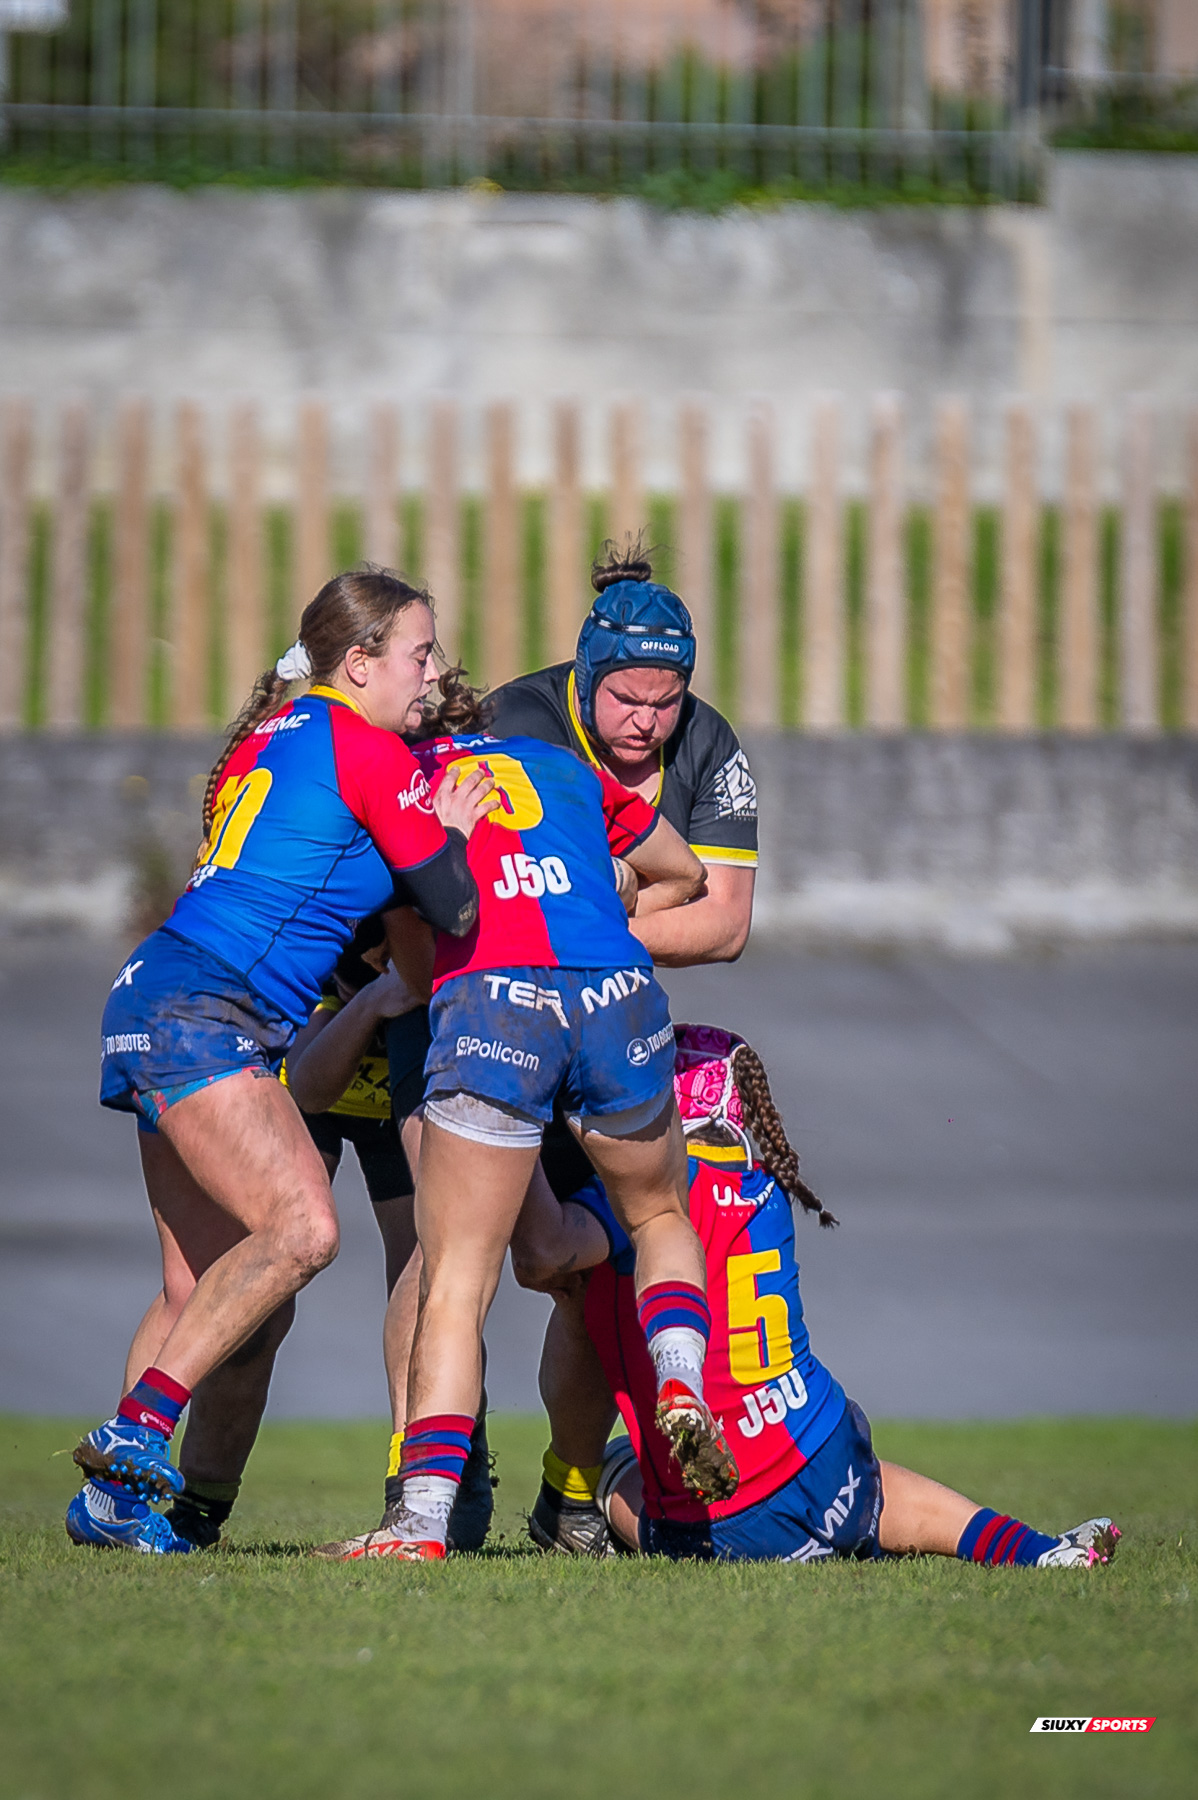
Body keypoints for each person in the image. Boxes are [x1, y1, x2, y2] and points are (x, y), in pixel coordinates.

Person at [66, 568, 491, 1555]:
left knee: (194, 1285)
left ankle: (111, 1510)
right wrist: (456, 829)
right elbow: (453, 906)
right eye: (418, 653)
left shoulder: (276, 732)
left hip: (147, 992)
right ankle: (136, 1435)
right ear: (359, 664)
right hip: (210, 1010)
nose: (430, 674)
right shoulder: (367, 744)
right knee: (303, 1229)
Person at [318, 711, 739, 1561]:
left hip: (497, 1000)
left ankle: (422, 1523)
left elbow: (410, 956)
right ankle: (684, 1388)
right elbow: (687, 873)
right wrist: (608, 885)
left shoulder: (400, 783)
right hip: (613, 987)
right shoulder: (558, 764)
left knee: (457, 1280)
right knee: (659, 1218)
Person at [512, 1025, 1122, 1570]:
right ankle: (1037, 1551)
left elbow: (545, 1253)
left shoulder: (644, 1200)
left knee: (615, 1466)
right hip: (825, 1448)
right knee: (880, 1495)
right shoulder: (765, 1186)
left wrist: (511, 1119)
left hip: (732, 1517)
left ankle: (573, 1510)